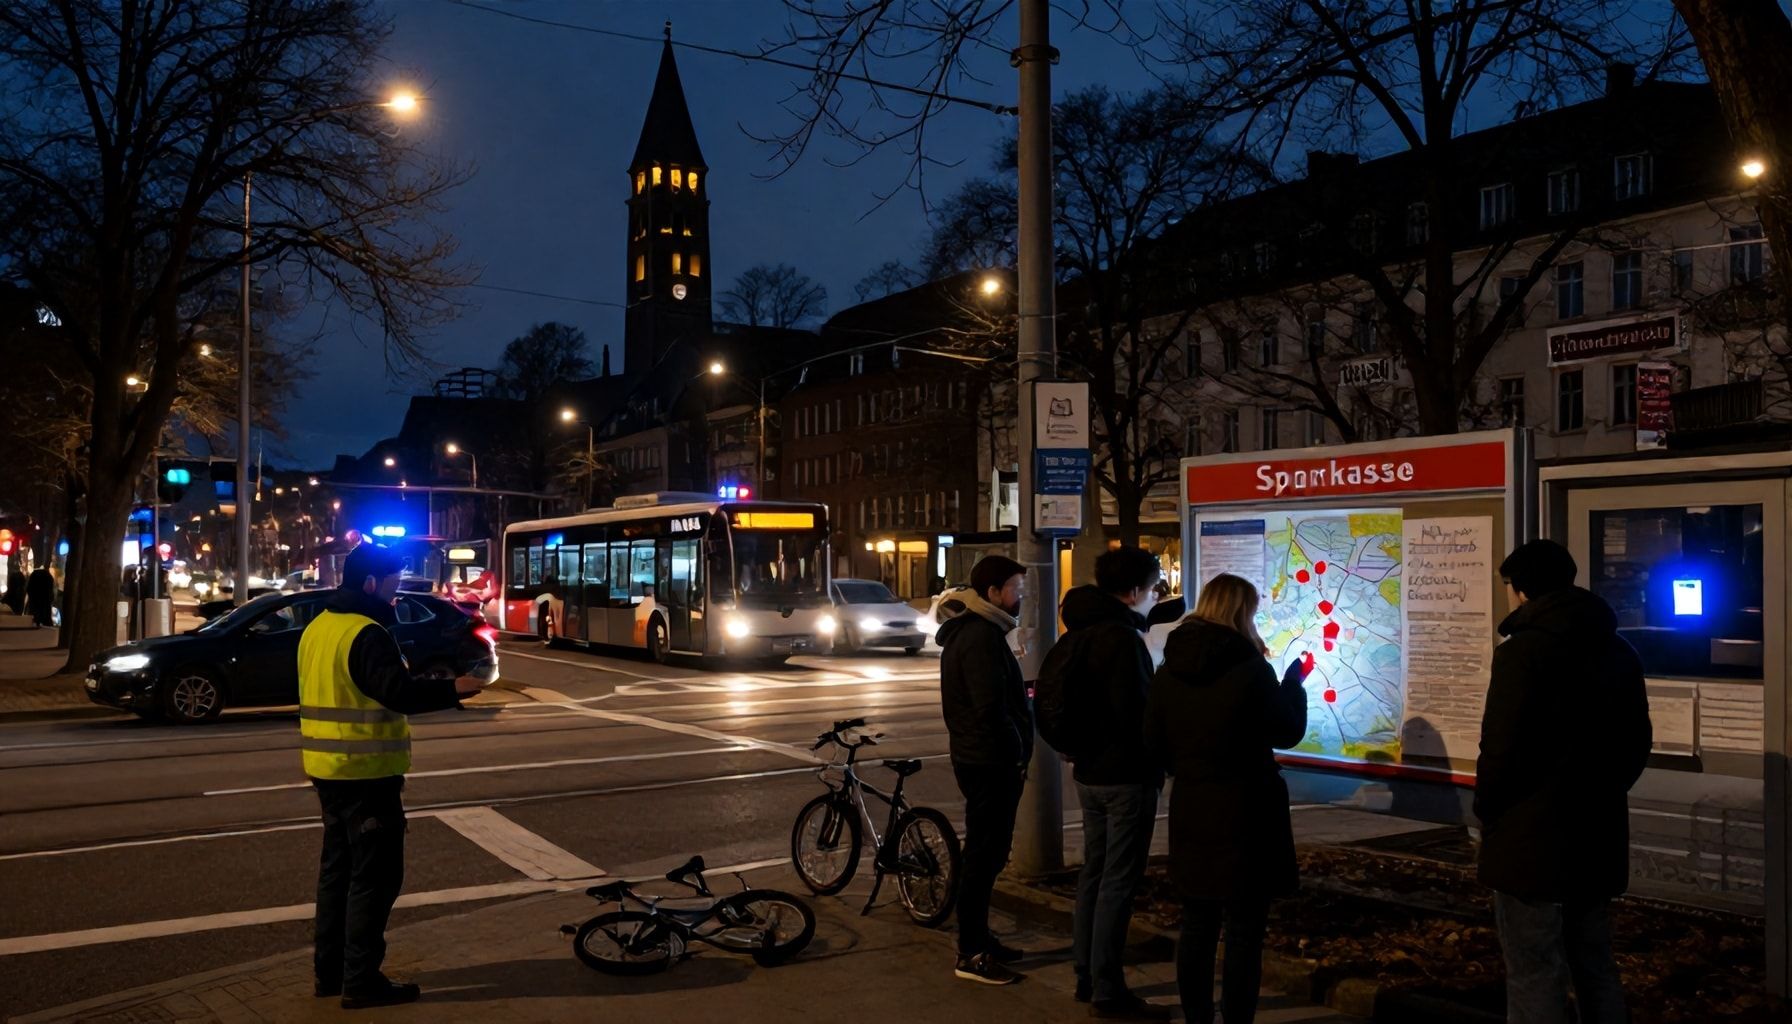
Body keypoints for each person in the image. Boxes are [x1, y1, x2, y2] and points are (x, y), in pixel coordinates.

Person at [299, 543, 487, 1008]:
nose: (397, 591)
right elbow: (397, 693)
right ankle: (361, 981)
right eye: (393, 582)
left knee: (336, 876)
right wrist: (455, 689)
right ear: (370, 584)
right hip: (368, 775)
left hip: (328, 773)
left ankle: (331, 974)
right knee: (374, 879)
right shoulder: (367, 633)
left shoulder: (318, 628)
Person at [1477, 539, 1650, 1024]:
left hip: (1529, 840)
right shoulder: (1618, 650)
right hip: (1596, 832)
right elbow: (1637, 742)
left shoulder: (1521, 654)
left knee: (1534, 969)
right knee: (1595, 963)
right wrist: (1604, 790)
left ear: (1523, 591)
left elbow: (1501, 750)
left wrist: (1490, 813)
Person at [1146, 573, 1307, 1024]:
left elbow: (1154, 743)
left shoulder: (1169, 668)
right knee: (1244, 929)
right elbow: (1287, 730)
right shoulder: (1252, 669)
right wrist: (1294, 683)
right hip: (1247, 810)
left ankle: (1197, 1017)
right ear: (1242, 612)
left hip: (1194, 806)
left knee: (1197, 923)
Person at [1062, 547, 1171, 1020]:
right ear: (1133, 593)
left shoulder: (1078, 631)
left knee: (1094, 872)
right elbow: (1140, 714)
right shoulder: (1123, 640)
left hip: (1088, 773)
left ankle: (1086, 973)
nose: (1154, 599)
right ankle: (1109, 988)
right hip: (1125, 776)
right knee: (1118, 883)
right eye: (1152, 590)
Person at [936, 553, 1030, 986]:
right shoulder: (980, 637)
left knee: (988, 854)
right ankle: (971, 952)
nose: (1021, 596)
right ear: (993, 593)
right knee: (983, 856)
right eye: (1015, 588)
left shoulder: (982, 631)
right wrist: (1014, 750)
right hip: (989, 762)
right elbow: (989, 707)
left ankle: (981, 940)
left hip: (985, 758)